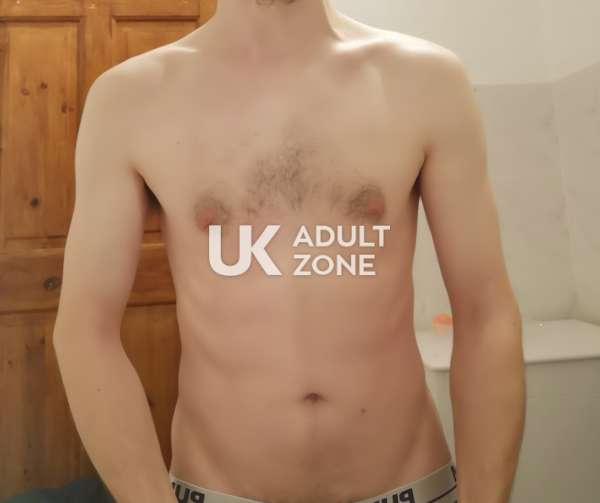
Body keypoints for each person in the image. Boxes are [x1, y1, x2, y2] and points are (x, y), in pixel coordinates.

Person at [53, 1, 526, 502]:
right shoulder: (129, 99)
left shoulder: (426, 80)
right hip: (217, 490)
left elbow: (486, 314)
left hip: (409, 485)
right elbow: (85, 329)